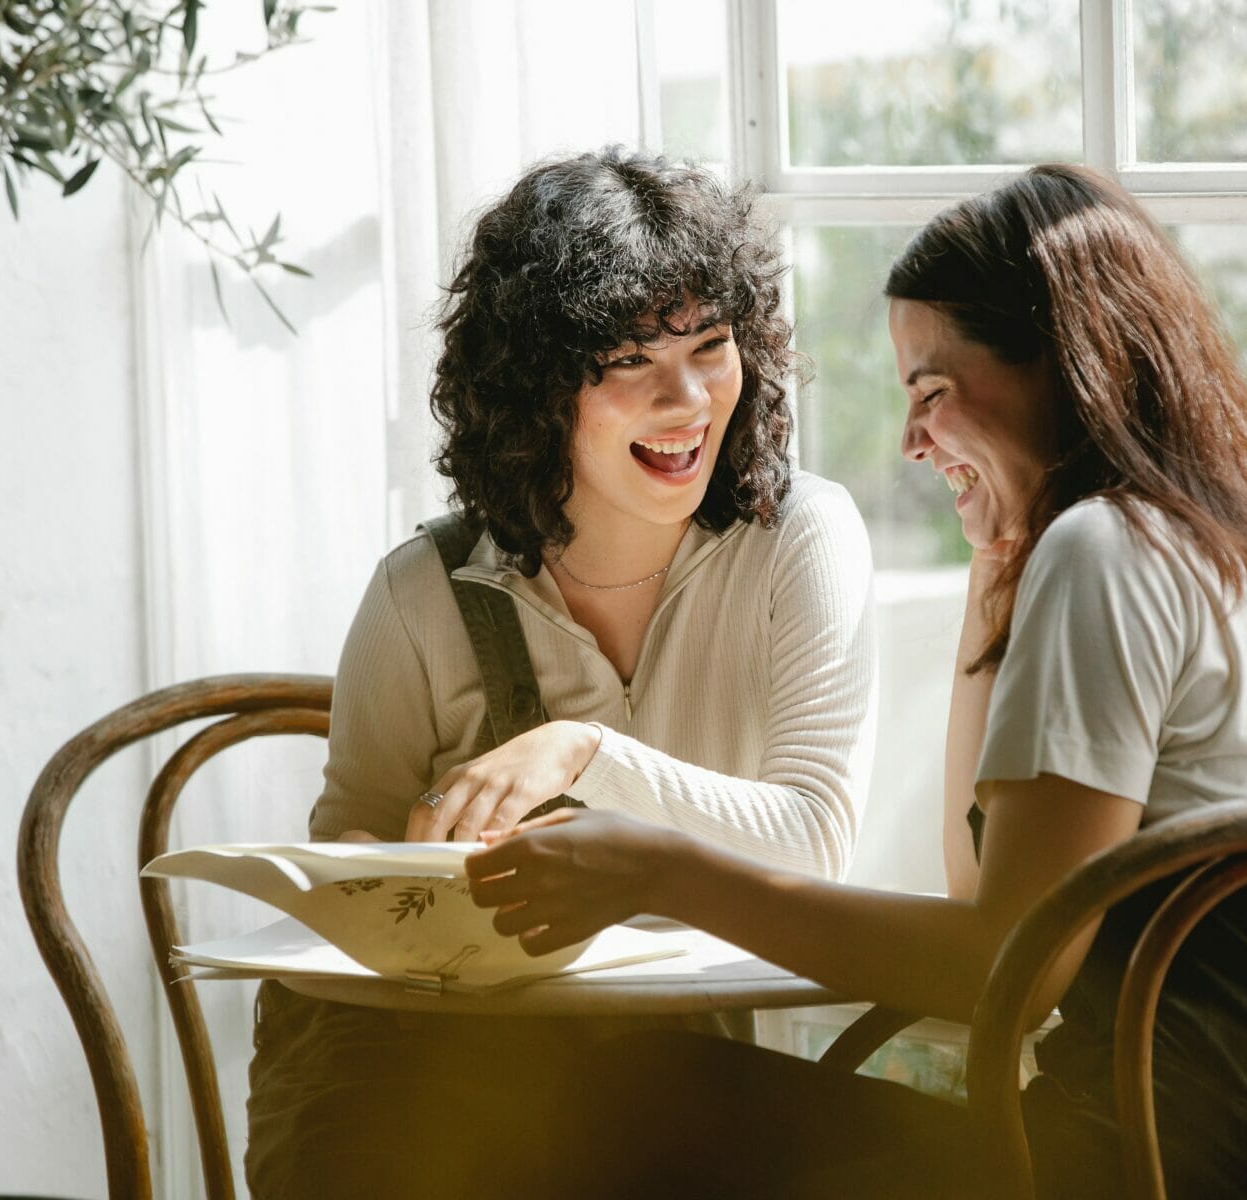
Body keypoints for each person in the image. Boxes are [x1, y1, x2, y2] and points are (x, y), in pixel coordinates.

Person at [466, 163, 1247, 1199]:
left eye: (932, 394)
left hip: (1153, 1168)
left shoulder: (1107, 552)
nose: (908, 441)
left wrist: (660, 872)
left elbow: (1007, 973)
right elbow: (980, 897)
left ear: (1062, 367)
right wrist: (995, 573)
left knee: (632, 1102)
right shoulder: (1174, 539)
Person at [243, 147, 877, 1199]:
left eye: (712, 347)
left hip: (682, 1080)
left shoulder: (800, 538)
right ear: (536, 389)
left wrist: (583, 752)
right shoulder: (422, 593)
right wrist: (395, 871)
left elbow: (816, 845)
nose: (689, 403)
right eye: (630, 362)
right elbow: (348, 841)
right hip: (443, 1084)